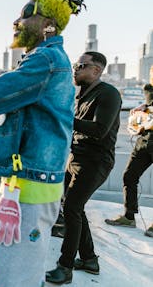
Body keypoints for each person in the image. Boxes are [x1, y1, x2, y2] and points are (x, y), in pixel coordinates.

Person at [0, 0, 85, 286]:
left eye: (25, 14)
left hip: (32, 186)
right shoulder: (44, 58)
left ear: (47, 22)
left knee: (14, 273)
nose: (16, 21)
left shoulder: (46, 60)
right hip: (27, 181)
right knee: (19, 266)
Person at [46, 52, 121, 284]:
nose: (75, 69)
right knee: (73, 208)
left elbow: (99, 129)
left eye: (80, 65)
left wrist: (63, 116)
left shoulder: (108, 93)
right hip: (76, 158)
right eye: (74, 65)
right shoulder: (82, 95)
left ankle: (65, 267)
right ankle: (89, 259)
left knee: (71, 208)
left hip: (95, 161)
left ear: (96, 70)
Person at [104, 83, 153, 238]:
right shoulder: (148, 89)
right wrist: (142, 112)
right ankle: (129, 216)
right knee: (129, 176)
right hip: (144, 142)